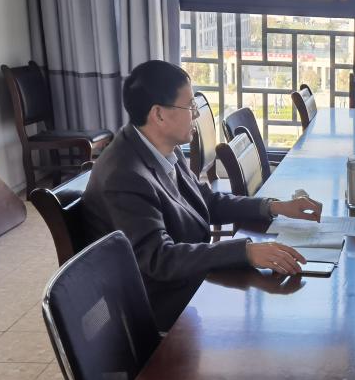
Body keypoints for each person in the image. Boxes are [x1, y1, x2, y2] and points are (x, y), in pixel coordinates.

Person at [84, 60, 323, 331]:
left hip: (190, 280)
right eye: (190, 107)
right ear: (159, 114)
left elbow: (206, 202)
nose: (196, 114)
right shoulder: (124, 175)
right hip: (163, 304)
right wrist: (244, 251)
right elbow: (160, 259)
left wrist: (274, 207)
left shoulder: (160, 146)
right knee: (276, 318)